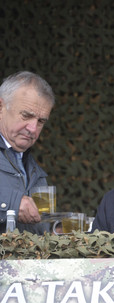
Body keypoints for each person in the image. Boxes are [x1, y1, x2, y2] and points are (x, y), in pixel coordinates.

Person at [0, 71, 55, 234]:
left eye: (40, 121)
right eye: (26, 115)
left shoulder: (33, 169)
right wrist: (13, 203)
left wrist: (55, 231)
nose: (32, 128)